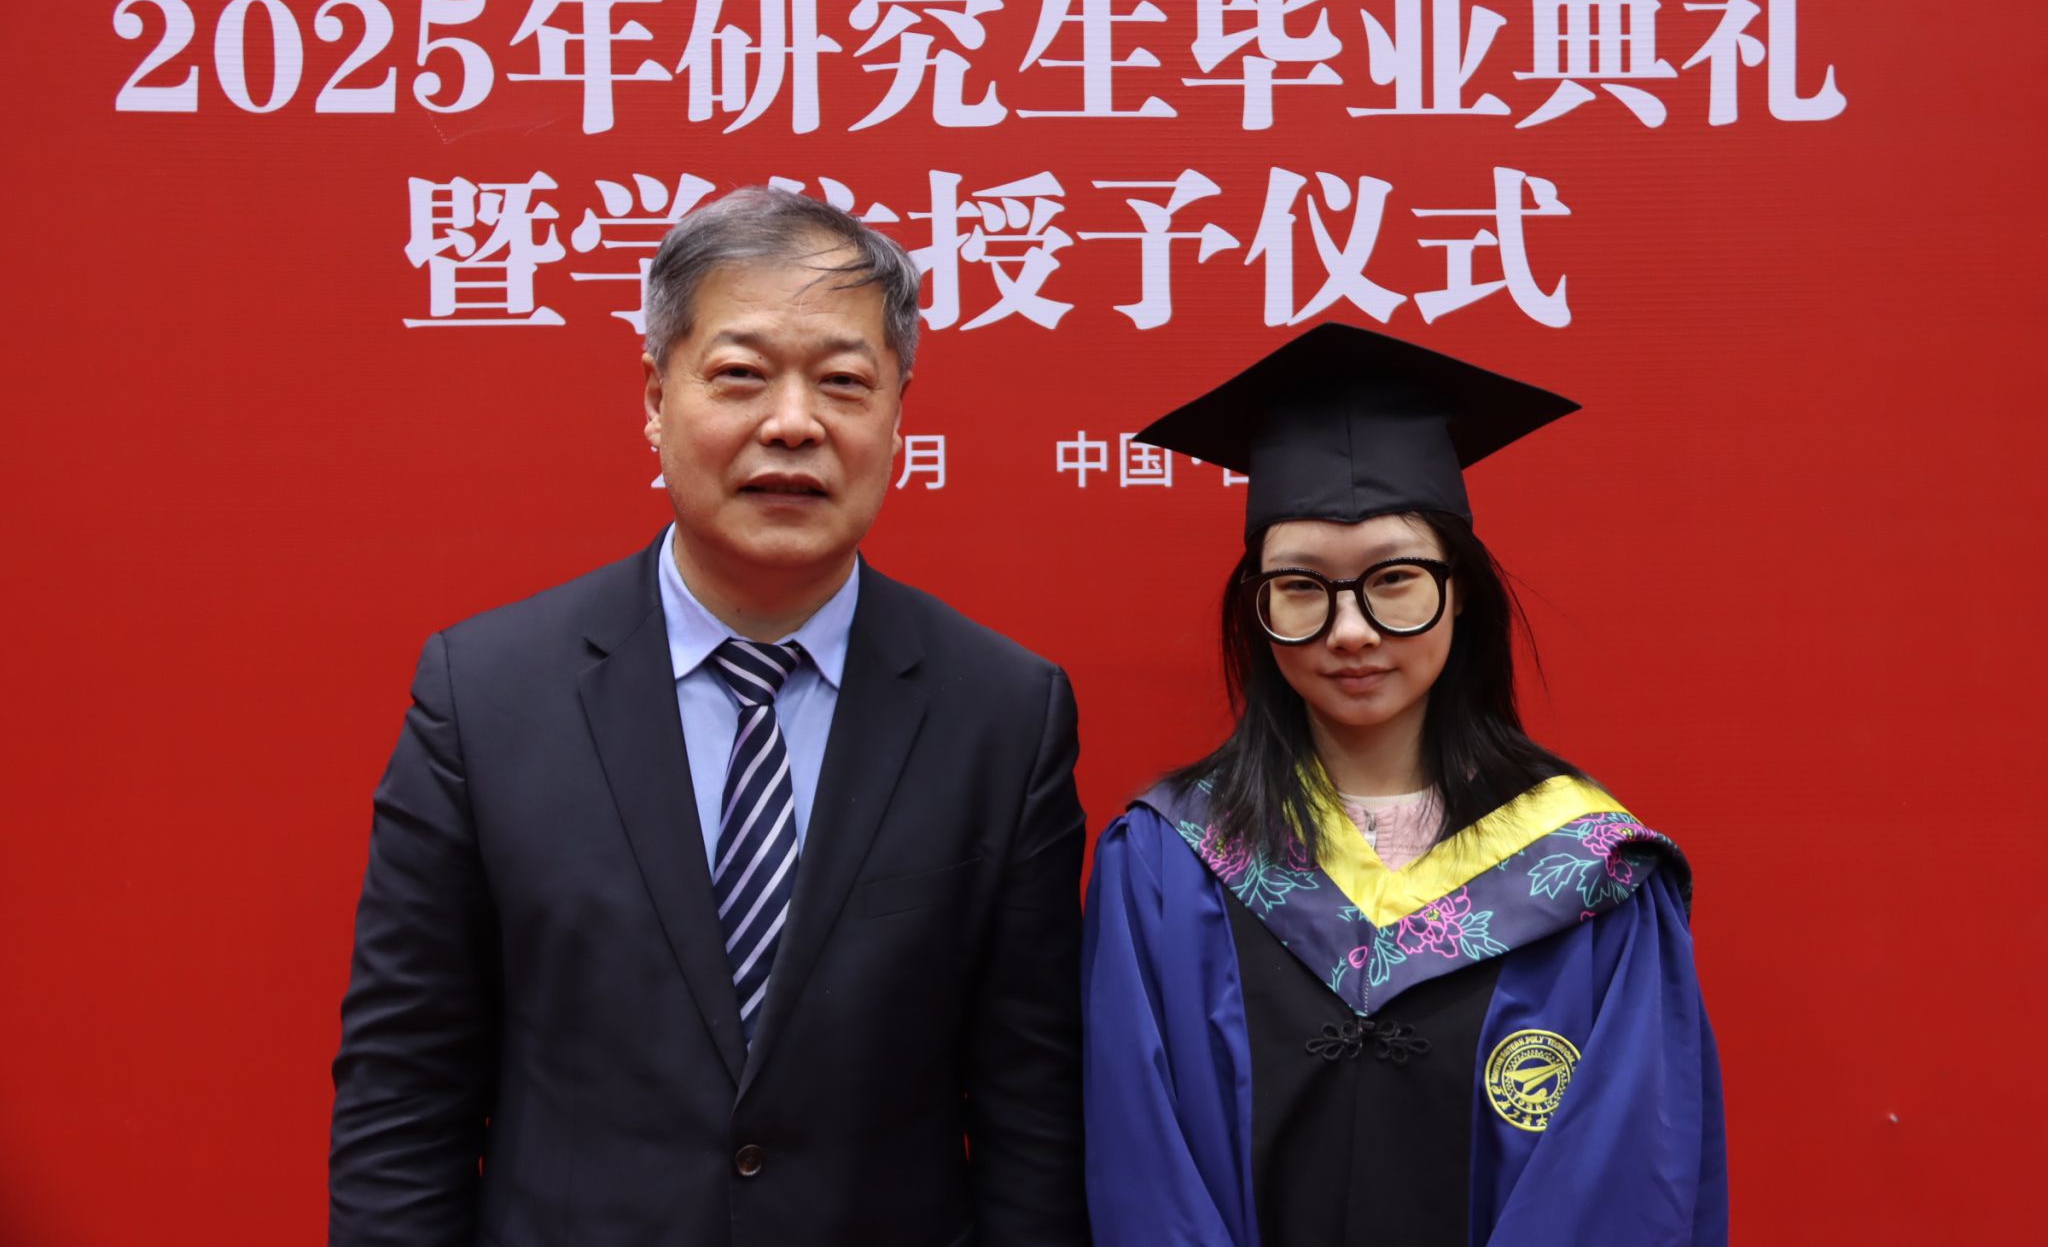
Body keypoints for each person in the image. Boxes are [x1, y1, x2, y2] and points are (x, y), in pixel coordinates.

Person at [329, 187, 1090, 1246]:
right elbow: (405, 1090)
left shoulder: (1003, 714)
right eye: (740, 375)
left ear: (897, 413)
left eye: (844, 382)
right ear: (655, 395)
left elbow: (1032, 1112)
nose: (793, 423)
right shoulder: (486, 694)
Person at [1082, 323, 1727, 1246]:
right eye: (1302, 585)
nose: (1351, 630)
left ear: (1460, 589)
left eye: (1394, 578)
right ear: (1257, 608)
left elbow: (1621, 1178)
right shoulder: (1168, 860)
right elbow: (1143, 1167)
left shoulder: (1595, 872)